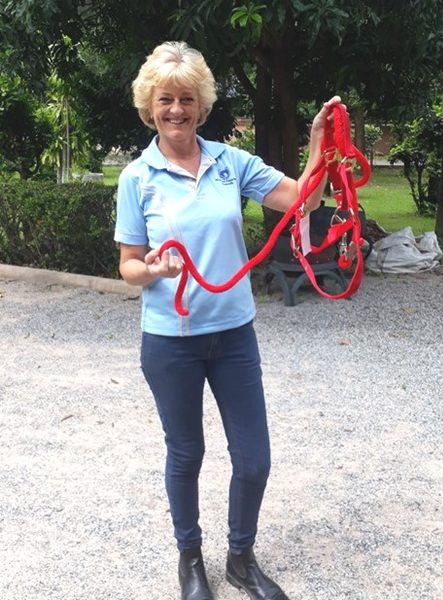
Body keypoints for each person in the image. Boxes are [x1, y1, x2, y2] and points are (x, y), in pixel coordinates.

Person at [114, 40, 341, 600]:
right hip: (171, 341)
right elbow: (127, 266)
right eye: (165, 98)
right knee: (186, 454)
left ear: (201, 103)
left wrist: (317, 146)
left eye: (186, 98)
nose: (176, 109)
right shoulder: (136, 178)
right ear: (150, 105)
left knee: (255, 458)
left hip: (234, 334)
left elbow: (302, 201)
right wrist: (155, 268)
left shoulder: (229, 163)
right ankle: (190, 560)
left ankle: (240, 558)